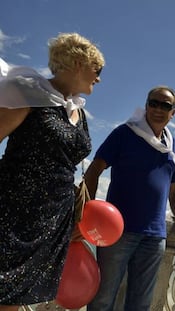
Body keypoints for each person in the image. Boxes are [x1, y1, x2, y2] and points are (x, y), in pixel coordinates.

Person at [0, 33, 105, 310]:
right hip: (14, 210)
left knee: (19, 295)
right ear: (80, 63)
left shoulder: (77, 112)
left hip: (53, 216)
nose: (99, 78)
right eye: (98, 70)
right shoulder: (29, 93)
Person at [85, 86, 175, 311]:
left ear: (173, 112)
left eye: (166, 105)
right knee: (103, 298)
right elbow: (94, 170)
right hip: (117, 232)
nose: (158, 109)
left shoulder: (171, 146)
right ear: (146, 106)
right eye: (154, 103)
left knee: (140, 303)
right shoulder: (125, 133)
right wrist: (86, 210)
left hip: (155, 236)